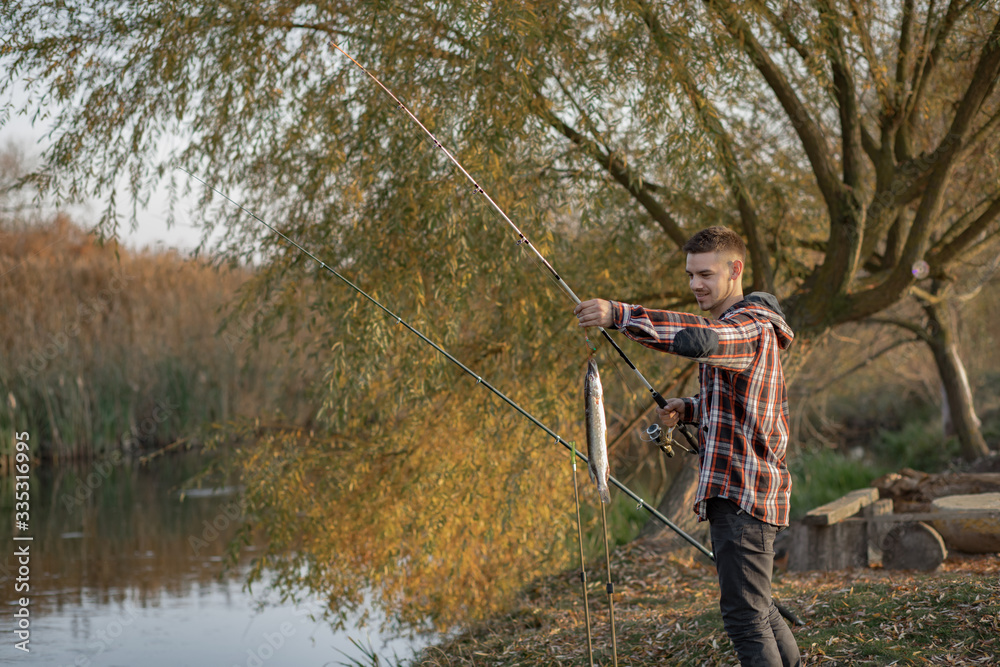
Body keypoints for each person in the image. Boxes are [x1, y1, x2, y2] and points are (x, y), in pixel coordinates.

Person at [574, 226, 801, 667]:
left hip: (742, 496)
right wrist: (692, 408)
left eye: (705, 274)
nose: (695, 284)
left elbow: (700, 339)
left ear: (735, 270)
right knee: (760, 608)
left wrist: (618, 315)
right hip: (743, 495)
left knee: (745, 618)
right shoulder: (743, 328)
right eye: (690, 274)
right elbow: (745, 402)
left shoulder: (748, 328)